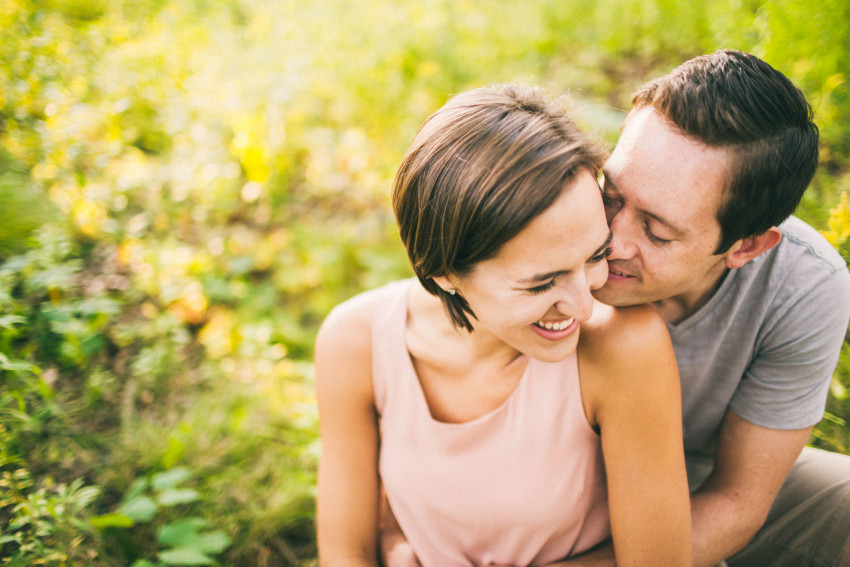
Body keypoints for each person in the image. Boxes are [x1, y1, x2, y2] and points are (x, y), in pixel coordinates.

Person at [314, 84, 692, 566]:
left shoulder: (621, 345)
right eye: (541, 284)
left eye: (595, 255)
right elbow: (346, 554)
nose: (582, 306)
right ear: (445, 274)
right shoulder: (356, 342)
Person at [580, 49, 850, 567]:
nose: (610, 241)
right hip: (561, 477)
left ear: (746, 247)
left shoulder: (804, 284)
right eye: (612, 194)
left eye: (656, 231)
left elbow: (738, 500)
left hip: (700, 474)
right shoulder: (558, 223)